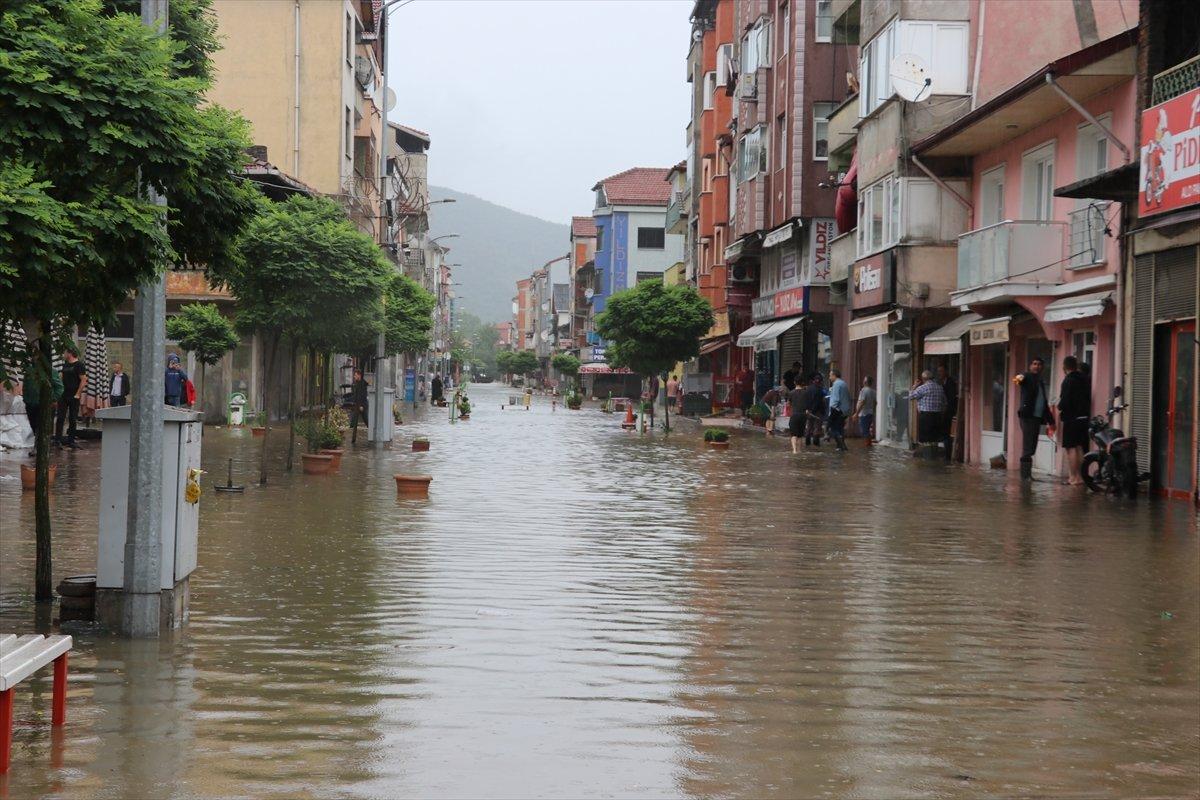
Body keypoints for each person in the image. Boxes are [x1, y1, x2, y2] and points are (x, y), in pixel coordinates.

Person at [1014, 357, 1055, 481]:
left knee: (1032, 446)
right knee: (1028, 446)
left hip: (1037, 418)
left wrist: (1051, 421)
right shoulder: (1027, 377)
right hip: (1027, 417)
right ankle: (1025, 476)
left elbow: (1043, 402)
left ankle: (1027, 474)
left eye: (1039, 365)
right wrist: (1019, 377)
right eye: (1034, 364)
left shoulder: (1040, 382)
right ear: (1030, 366)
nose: (1037, 366)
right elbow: (1018, 380)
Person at [1057, 356, 1091, 486]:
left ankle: (1073, 477)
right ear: (1076, 366)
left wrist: (1060, 407)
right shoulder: (1084, 379)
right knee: (1080, 447)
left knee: (1071, 448)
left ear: (1064, 367)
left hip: (1071, 418)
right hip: (1084, 418)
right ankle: (1081, 477)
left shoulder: (1068, 380)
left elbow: (1065, 401)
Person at [908, 370, 947, 458]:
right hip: (937, 416)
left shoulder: (923, 388)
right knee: (935, 438)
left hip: (926, 416)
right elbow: (945, 403)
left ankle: (927, 458)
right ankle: (934, 457)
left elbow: (910, 396)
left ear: (923, 379)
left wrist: (915, 386)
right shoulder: (939, 387)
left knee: (926, 439)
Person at [23, 357, 63, 439]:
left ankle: (41, 445)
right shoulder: (29, 370)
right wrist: (25, 399)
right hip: (30, 403)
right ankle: (36, 442)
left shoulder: (51, 371)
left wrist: (54, 399)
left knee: (43, 426)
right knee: (33, 424)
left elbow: (59, 387)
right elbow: (25, 386)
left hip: (46, 403)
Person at [55, 347, 87, 448]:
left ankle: (71, 440)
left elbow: (83, 380)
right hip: (64, 394)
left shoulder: (79, 365)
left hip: (74, 394)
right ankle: (57, 439)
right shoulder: (65, 364)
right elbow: (62, 377)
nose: (64, 354)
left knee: (73, 418)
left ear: (70, 353)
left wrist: (78, 393)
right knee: (60, 417)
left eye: (65, 352)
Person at [937, 363, 958, 461]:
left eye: (941, 371)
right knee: (944, 433)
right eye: (938, 371)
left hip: (949, 412)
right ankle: (945, 453)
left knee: (947, 433)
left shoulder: (950, 382)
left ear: (946, 372)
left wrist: (946, 410)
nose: (939, 373)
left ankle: (948, 455)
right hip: (943, 412)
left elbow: (951, 398)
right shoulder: (941, 382)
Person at [827, 369, 852, 451]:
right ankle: (840, 446)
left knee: (833, 428)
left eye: (830, 375)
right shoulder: (843, 383)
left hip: (837, 410)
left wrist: (832, 410)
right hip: (844, 410)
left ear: (834, 375)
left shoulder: (837, 384)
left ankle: (842, 445)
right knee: (840, 428)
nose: (829, 377)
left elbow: (836, 399)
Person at [802, 373, 827, 447]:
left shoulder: (808, 389)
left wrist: (807, 409)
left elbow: (805, 400)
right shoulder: (820, 390)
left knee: (809, 427)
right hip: (817, 412)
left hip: (809, 411)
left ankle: (807, 443)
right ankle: (816, 444)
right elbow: (820, 402)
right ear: (820, 381)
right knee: (817, 428)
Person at [786, 380, 808, 454]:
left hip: (794, 415)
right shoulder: (806, 393)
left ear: (795, 382)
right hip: (803, 415)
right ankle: (799, 450)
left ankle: (794, 450)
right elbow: (808, 405)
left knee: (793, 434)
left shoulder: (791, 393)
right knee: (800, 435)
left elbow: (788, 404)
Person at [854, 376, 877, 442]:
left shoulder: (864, 390)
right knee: (866, 430)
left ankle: (868, 445)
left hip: (864, 414)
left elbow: (862, 402)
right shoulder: (873, 391)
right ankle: (868, 445)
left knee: (864, 431)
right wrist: (873, 412)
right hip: (870, 413)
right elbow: (875, 403)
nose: (863, 381)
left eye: (864, 380)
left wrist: (856, 413)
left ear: (865, 382)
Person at [349, 368, 368, 444]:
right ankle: (352, 438)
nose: (354, 376)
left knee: (366, 420)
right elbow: (356, 395)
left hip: (362, 405)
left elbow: (363, 395)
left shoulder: (362, 383)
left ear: (359, 375)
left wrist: (362, 406)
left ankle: (372, 434)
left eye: (355, 375)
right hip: (357, 405)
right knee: (353, 421)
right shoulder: (357, 383)